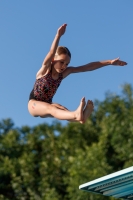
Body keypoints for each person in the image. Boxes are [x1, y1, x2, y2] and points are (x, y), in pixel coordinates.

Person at [28, 23, 127, 124]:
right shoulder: (45, 70)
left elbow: (87, 67)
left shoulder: (62, 74)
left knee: (62, 109)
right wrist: (58, 36)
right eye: (61, 62)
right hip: (34, 104)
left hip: (47, 103)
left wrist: (109, 62)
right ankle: (77, 115)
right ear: (53, 60)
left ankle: (81, 118)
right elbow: (51, 52)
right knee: (52, 109)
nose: (64, 66)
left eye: (67, 64)